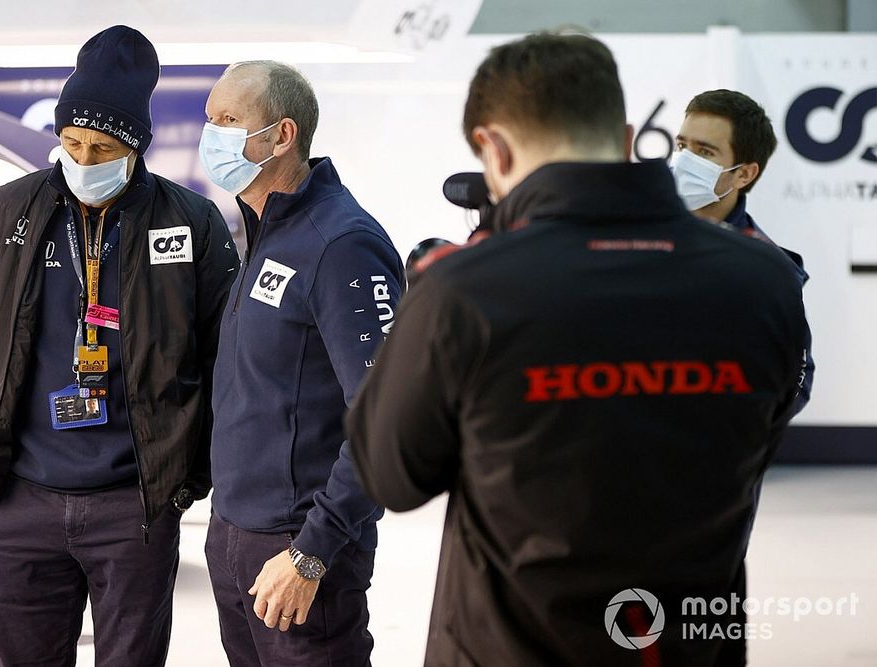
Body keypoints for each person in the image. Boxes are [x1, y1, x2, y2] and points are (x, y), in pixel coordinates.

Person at [346, 32, 809, 666]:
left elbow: (393, 477)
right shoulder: (766, 281)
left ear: (493, 148)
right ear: (624, 142)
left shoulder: (463, 289)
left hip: (510, 649)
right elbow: (763, 427)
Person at [0, 25, 239, 666]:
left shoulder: (190, 223)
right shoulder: (9, 212)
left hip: (133, 511)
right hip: (19, 502)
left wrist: (184, 482)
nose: (83, 159)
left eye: (102, 147)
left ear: (135, 147)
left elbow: (226, 360)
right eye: (71, 142)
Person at [198, 60, 404, 665]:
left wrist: (312, 550)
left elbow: (384, 420)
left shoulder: (341, 244)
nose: (213, 135)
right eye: (209, 119)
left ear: (282, 136)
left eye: (230, 121)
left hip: (300, 548)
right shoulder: (264, 231)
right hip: (235, 532)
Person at [673, 88, 813, 413]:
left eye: (705, 152)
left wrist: (742, 448)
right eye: (682, 145)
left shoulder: (769, 269)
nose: (683, 161)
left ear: (744, 174)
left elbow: (795, 379)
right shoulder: (633, 237)